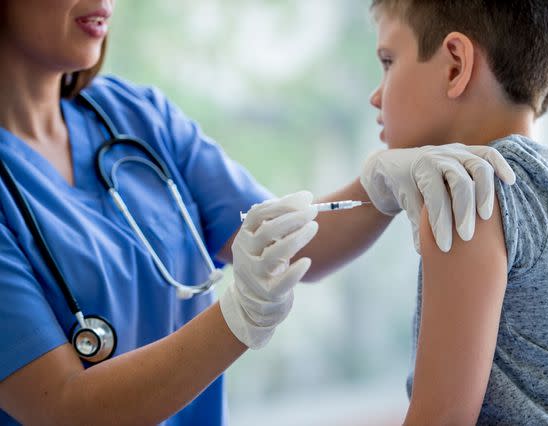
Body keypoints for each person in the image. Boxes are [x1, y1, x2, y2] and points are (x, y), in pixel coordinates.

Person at [0, 1, 517, 425]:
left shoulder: (135, 117)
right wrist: (237, 316)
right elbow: (58, 406)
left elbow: (285, 241)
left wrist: (377, 185)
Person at [363, 0, 548, 423]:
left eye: (387, 61)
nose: (375, 95)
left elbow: (439, 420)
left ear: (455, 65)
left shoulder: (469, 192)